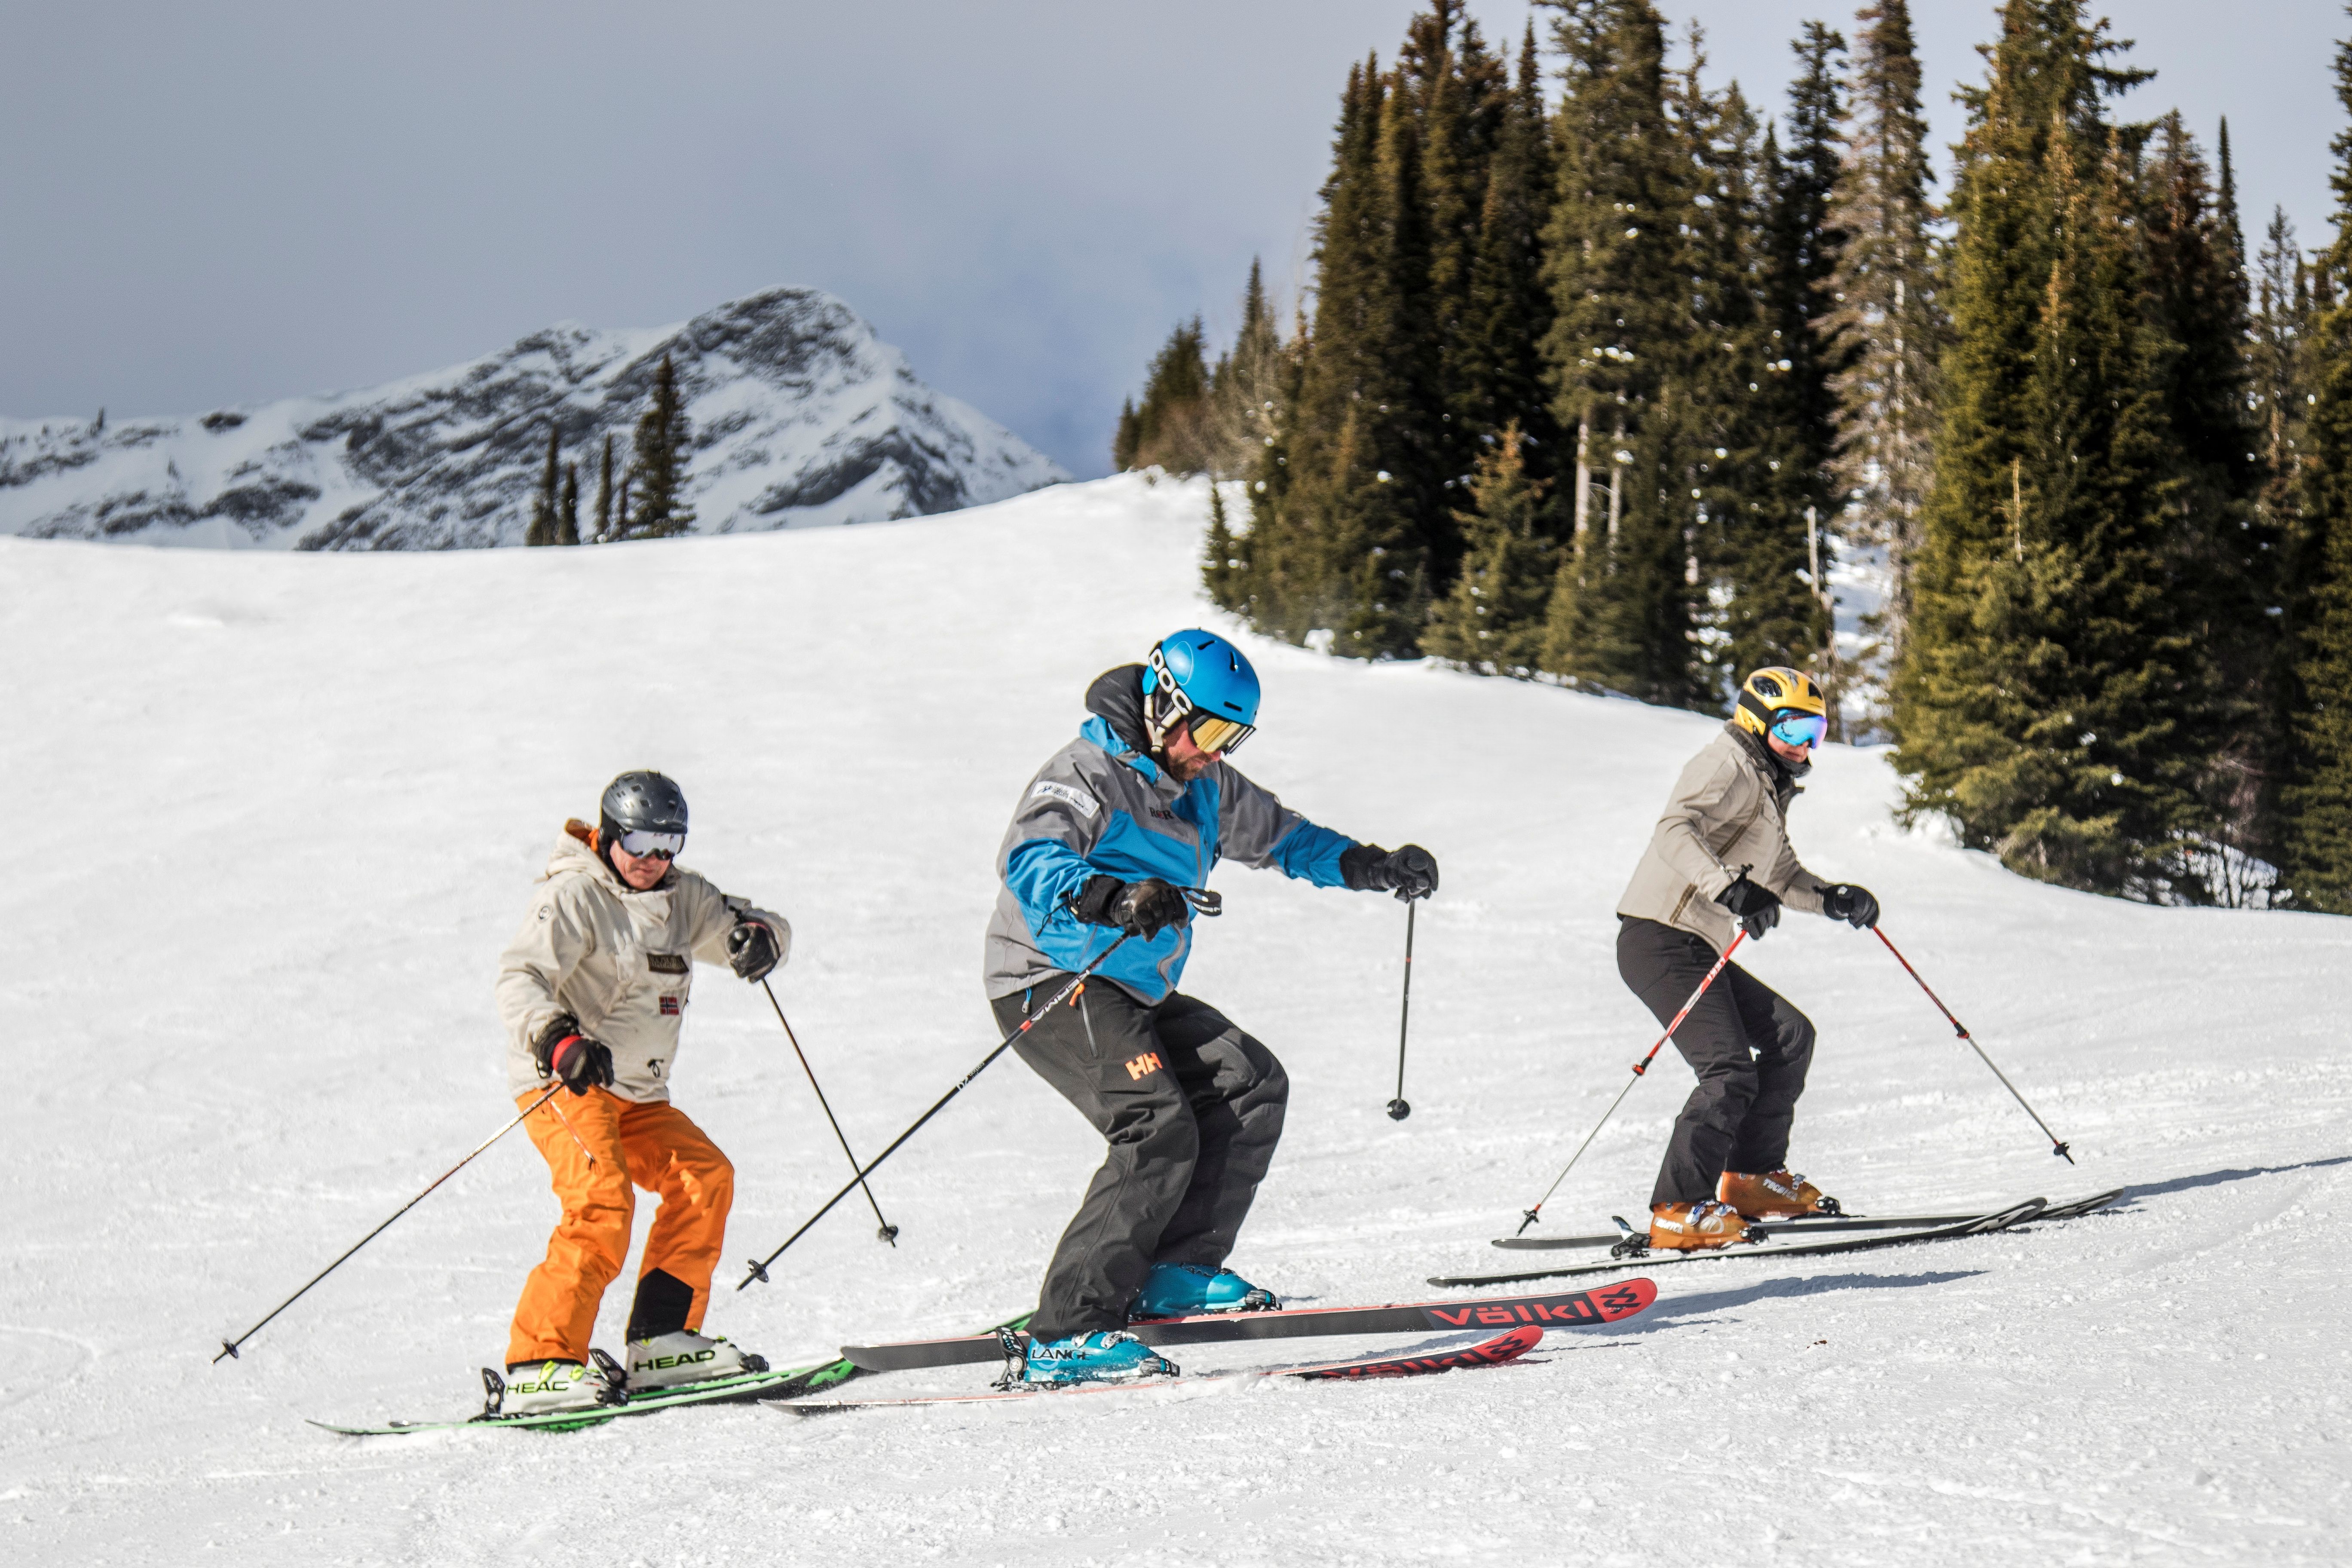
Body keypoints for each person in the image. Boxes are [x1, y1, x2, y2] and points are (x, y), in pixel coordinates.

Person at [984, 630, 1439, 1385]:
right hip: (1049, 976)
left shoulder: (1208, 786)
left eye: (1233, 736)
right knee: (1155, 1124)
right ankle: (1067, 1332)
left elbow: (1286, 838)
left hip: (1134, 988)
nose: (1215, 752)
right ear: (1165, 705)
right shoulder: (1087, 771)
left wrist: (1372, 866)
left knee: (1249, 1082)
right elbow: (1030, 859)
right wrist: (1111, 895)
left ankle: (1173, 1270)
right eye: (1210, 731)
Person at [490, 770, 792, 1415]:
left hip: (639, 1095)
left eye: (669, 845)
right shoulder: (575, 896)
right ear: (609, 835)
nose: (654, 860)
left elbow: (749, 924)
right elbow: (521, 977)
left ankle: (661, 1343)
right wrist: (559, 1041)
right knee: (601, 1203)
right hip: (566, 1083)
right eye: (642, 843)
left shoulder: (684, 898)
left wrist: (761, 941)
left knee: (703, 1176)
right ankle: (539, 1362)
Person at [1613, 668, 1881, 1252]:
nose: (1806, 745)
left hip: (1694, 941)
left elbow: (1781, 876)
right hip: (1658, 937)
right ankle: (1678, 1209)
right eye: (1794, 727)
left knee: (1789, 1035)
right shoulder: (1727, 763)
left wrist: (1832, 898)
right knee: (1728, 1068)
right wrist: (1728, 888)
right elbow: (1675, 830)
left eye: (1817, 730)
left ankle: (1752, 1179)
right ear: (1757, 721)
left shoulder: (1766, 786)